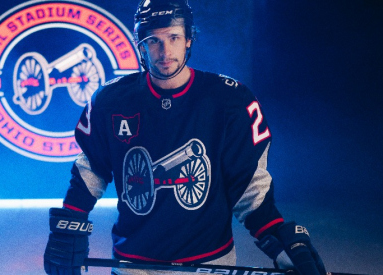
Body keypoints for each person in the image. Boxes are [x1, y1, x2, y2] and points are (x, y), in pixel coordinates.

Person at [43, 0, 327, 274]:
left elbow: (248, 187)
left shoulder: (231, 100)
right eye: (153, 40)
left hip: (211, 264)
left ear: (189, 38)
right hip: (133, 263)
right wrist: (70, 222)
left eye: (174, 37)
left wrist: (281, 240)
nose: (165, 50)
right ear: (140, 45)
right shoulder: (110, 100)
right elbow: (91, 167)